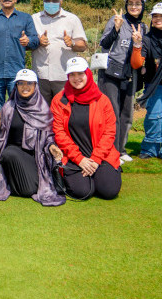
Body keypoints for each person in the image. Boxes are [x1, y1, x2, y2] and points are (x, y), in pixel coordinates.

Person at [0, 69, 64, 205]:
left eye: (29, 83)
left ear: (36, 85)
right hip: (12, 154)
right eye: (20, 83)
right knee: (9, 153)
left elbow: (49, 135)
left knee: (30, 190)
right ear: (16, 86)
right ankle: (11, 178)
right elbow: (1, 137)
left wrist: (52, 147)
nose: (25, 87)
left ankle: (12, 181)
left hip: (35, 157)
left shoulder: (43, 109)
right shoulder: (9, 107)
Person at [50, 57, 122, 200]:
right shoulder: (59, 100)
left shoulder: (103, 100)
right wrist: (80, 159)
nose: (76, 78)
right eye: (72, 75)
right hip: (73, 157)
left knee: (109, 191)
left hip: (101, 156)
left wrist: (95, 159)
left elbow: (109, 132)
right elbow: (59, 133)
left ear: (87, 73)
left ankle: (101, 175)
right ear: (68, 77)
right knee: (83, 192)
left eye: (80, 73)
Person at [97, 0, 147, 163]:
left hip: (130, 74)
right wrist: (116, 29)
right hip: (110, 70)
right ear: (126, 5)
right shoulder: (116, 20)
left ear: (142, 6)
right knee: (111, 112)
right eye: (130, 3)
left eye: (137, 4)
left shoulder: (144, 26)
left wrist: (139, 42)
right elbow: (104, 44)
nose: (134, 7)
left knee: (126, 113)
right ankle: (110, 150)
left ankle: (121, 148)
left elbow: (142, 53)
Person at [130, 2, 162, 163]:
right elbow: (137, 64)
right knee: (154, 116)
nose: (158, 19)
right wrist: (137, 44)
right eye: (155, 16)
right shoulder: (148, 39)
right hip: (154, 84)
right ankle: (150, 148)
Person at [31, 0, 88, 104]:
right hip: (40, 76)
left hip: (63, 76)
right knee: (42, 113)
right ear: (43, 0)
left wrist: (72, 43)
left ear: (61, 1)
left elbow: (83, 45)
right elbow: (26, 44)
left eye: (55, 1)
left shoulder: (72, 19)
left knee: (63, 111)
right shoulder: (34, 19)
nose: (51, 3)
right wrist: (38, 42)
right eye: (48, 0)